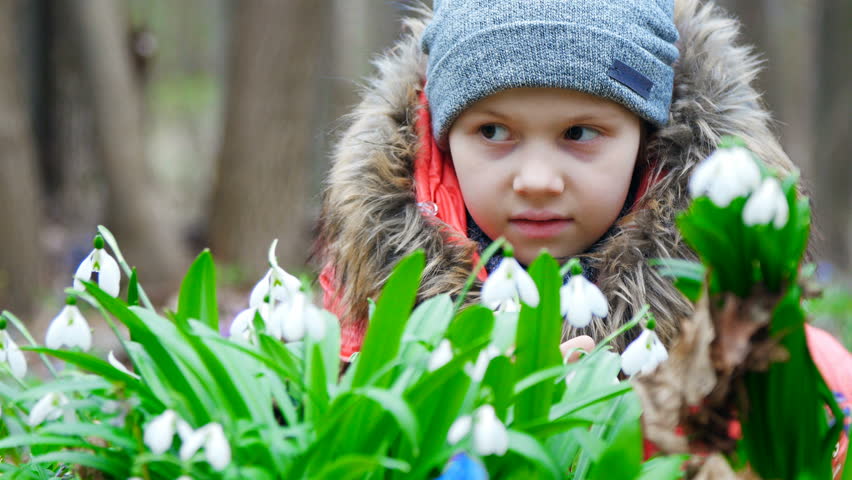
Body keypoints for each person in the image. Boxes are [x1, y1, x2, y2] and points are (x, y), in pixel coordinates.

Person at [315, 0, 850, 473]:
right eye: (494, 132)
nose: (538, 181)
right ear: (443, 135)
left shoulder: (752, 345)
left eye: (579, 133)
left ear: (648, 136)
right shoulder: (370, 320)